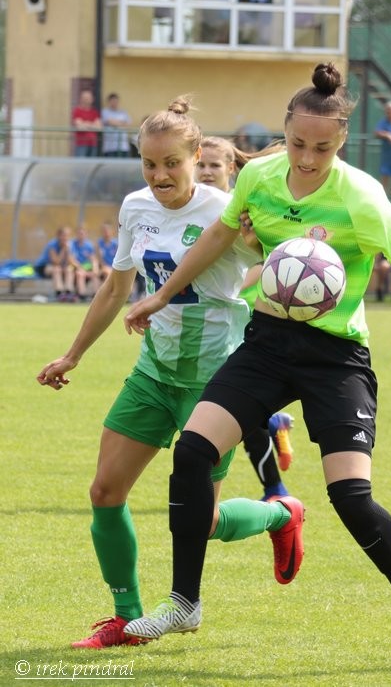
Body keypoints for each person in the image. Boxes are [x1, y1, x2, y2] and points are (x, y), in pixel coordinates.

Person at [123, 63, 391, 674]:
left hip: (334, 355)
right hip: (267, 342)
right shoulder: (260, 177)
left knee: (351, 497)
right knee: (193, 451)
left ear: (341, 142)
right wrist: (162, 294)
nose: (307, 158)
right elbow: (220, 235)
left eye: (322, 148)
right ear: (285, 133)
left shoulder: (361, 196)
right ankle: (184, 603)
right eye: (297, 144)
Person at [36, 97, 305, 650]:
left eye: (171, 164)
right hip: (154, 373)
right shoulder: (135, 208)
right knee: (105, 490)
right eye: (149, 164)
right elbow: (116, 287)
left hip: (217, 383)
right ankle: (126, 618)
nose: (159, 175)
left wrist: (265, 243)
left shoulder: (225, 211)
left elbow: (280, 261)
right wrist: (73, 354)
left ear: (197, 156)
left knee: (201, 521)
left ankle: (279, 515)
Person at [196, 135, 294, 497]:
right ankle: (273, 421)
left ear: (231, 169)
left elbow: (265, 257)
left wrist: (235, 288)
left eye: (215, 165)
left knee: (236, 407)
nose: (206, 172)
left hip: (241, 317)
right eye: (201, 165)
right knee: (227, 405)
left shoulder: (242, 210)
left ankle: (276, 489)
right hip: (203, 321)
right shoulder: (193, 206)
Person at [34, 226, 77, 302]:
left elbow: (70, 261)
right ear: (59, 236)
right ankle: (59, 293)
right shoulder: (52, 244)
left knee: (69, 269)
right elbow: (56, 262)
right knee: (57, 269)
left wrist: (68, 251)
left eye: (67, 236)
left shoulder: (70, 245)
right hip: (43, 267)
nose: (65, 238)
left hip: (60, 267)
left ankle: (69, 292)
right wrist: (63, 249)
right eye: (64, 235)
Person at [70, 226, 100, 301]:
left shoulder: (89, 245)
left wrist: (95, 269)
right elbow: (71, 260)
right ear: (76, 234)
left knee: (95, 275)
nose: (81, 235)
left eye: (83, 234)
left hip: (86, 268)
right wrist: (80, 268)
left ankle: (96, 296)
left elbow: (93, 259)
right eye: (79, 233)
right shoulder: (72, 244)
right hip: (75, 268)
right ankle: (82, 295)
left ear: (86, 234)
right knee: (80, 274)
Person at [71, 89, 102, 157]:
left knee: (92, 163)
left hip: (93, 144)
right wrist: (92, 124)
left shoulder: (94, 112)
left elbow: (99, 128)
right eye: (85, 98)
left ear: (92, 99)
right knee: (80, 163)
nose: (87, 100)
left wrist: (85, 124)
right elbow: (79, 127)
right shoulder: (77, 111)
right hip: (81, 144)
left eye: (89, 98)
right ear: (81, 99)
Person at [101, 93, 132, 158]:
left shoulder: (123, 112)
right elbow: (110, 122)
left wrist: (116, 123)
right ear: (109, 102)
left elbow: (128, 124)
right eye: (113, 101)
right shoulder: (105, 112)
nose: (114, 103)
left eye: (116, 101)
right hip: (110, 147)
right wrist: (122, 123)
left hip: (123, 146)